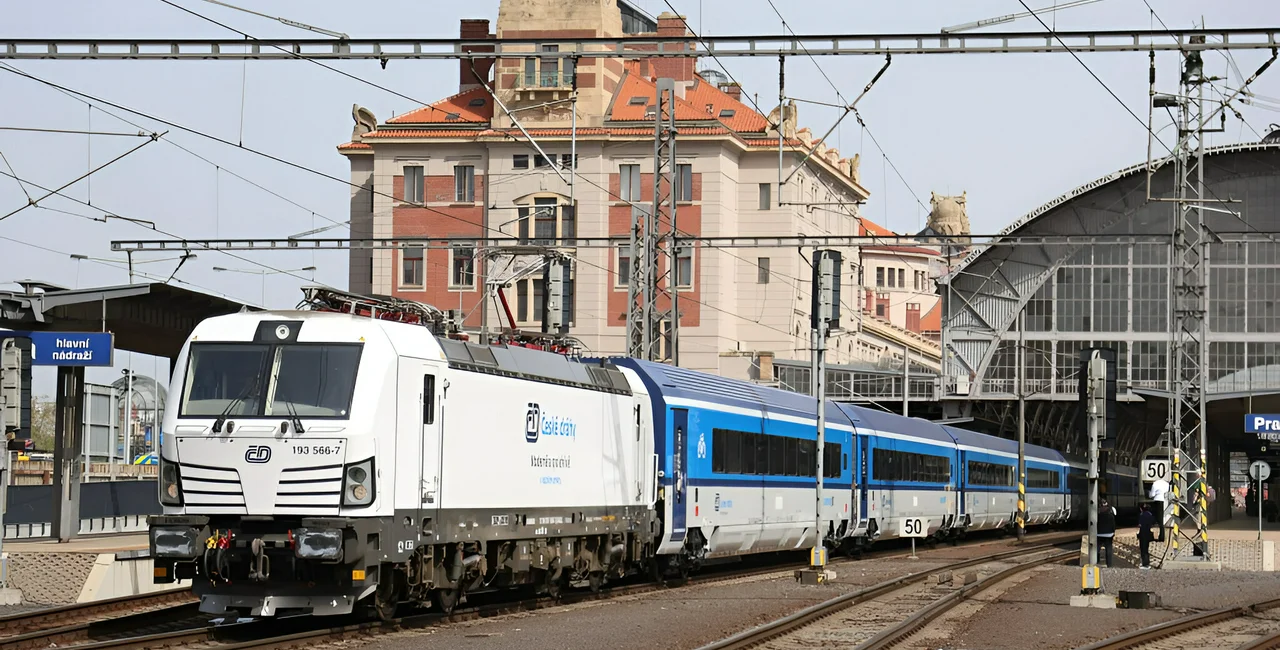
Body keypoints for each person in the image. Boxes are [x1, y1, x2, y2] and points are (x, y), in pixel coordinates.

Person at [1149, 476, 1170, 542]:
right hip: (1165, 501)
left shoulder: (1155, 483)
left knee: (1155, 519)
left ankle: (1150, 534)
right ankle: (1162, 536)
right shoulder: (1167, 484)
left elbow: (1152, 494)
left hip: (1157, 501)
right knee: (1162, 520)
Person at [1097, 499, 1116, 567]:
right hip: (1109, 534)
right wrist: (1113, 531)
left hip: (1099, 533)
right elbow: (1113, 523)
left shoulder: (1097, 511)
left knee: (1097, 548)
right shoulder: (1111, 510)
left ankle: (1096, 561)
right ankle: (1109, 564)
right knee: (1109, 549)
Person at [1137, 502, 1156, 569]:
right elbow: (1153, 523)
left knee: (1143, 549)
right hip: (1148, 533)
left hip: (1142, 533)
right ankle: (1147, 563)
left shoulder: (1142, 515)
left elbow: (1140, 525)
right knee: (1146, 549)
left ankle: (1144, 564)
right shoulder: (1150, 515)